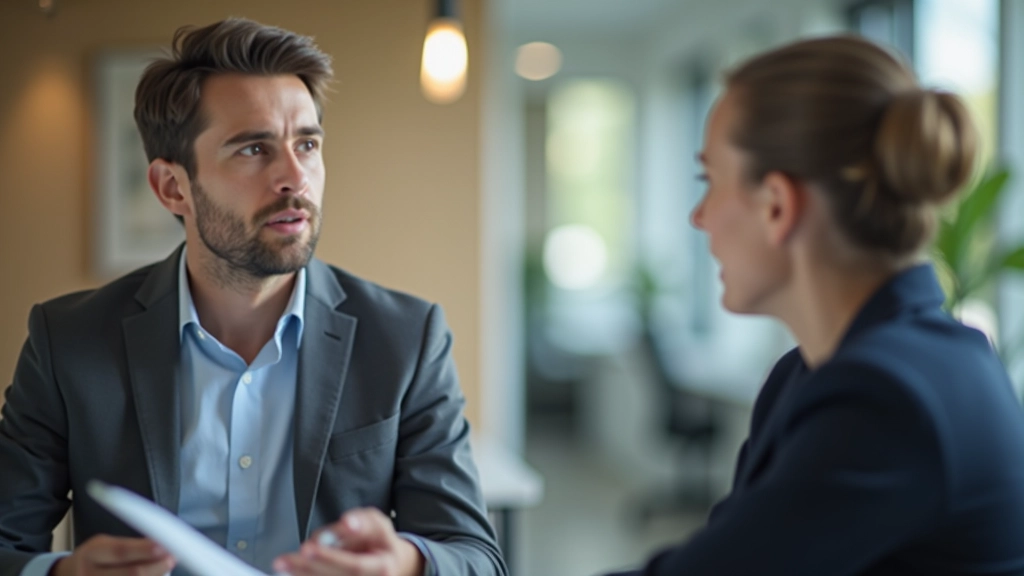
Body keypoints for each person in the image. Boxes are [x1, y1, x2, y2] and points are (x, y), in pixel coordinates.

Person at [0, 18, 505, 576]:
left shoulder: (407, 339)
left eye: (307, 144)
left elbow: (475, 556)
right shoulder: (68, 341)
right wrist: (60, 573)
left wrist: (405, 565)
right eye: (253, 149)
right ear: (173, 187)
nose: (295, 177)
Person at [604, 35, 1024, 575]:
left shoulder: (888, 401)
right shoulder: (808, 375)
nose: (698, 216)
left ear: (777, 205)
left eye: (709, 181)